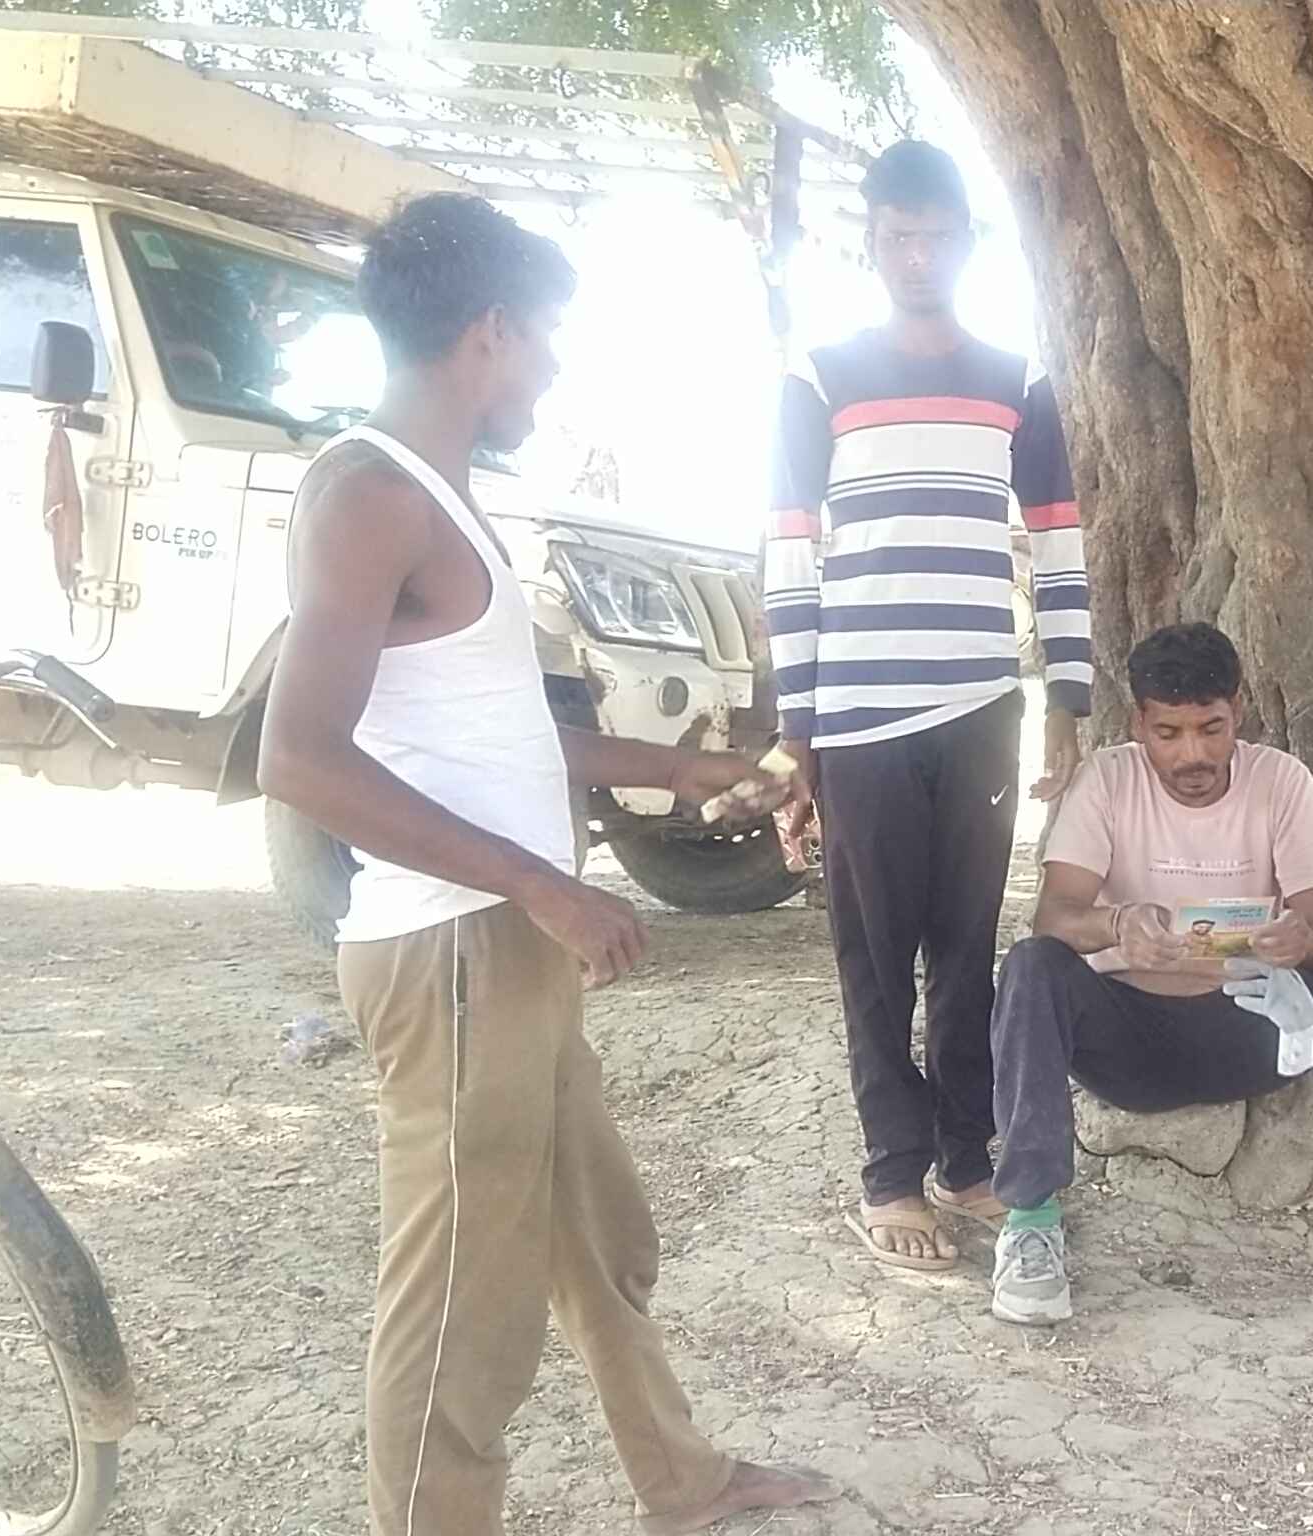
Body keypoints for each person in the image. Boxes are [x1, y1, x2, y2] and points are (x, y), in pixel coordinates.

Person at [260, 192, 834, 1536]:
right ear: (491, 332)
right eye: (550, 337)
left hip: (503, 950)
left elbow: (488, 731)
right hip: (451, 950)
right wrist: (540, 884)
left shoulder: (438, 495)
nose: (556, 368)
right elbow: (298, 760)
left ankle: (680, 1481)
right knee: (463, 1303)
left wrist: (673, 772)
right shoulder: (369, 496)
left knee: (597, 1237)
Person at [765, 139, 1093, 1271]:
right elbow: (789, 553)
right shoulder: (819, 378)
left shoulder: (1016, 382)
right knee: (872, 959)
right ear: (870, 241)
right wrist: (796, 731)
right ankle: (890, 1174)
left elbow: (1057, 538)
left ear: (966, 242)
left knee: (967, 949)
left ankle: (965, 1157)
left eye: (937, 236)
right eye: (898, 237)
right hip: (856, 717)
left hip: (979, 709)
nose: (917, 256)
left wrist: (1067, 695)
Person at [987, 623, 1313, 1325]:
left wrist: (1298, 940)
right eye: (1169, 733)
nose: (1193, 754)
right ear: (1138, 724)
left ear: (1238, 711)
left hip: (1248, 1025)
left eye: (1211, 729)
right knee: (1032, 967)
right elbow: (1054, 915)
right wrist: (1118, 926)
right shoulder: (1107, 780)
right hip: (1125, 1038)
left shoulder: (1281, 782)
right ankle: (1030, 1224)